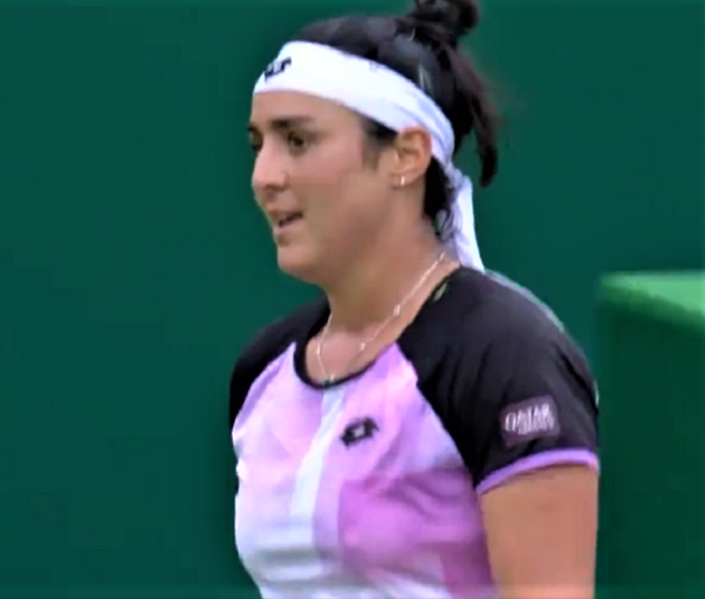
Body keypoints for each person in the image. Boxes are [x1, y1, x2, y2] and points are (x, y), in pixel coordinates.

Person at [229, 1, 600, 598]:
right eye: (258, 145)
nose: (264, 176)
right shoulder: (263, 372)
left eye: (298, 141)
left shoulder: (505, 355)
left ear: (406, 155)